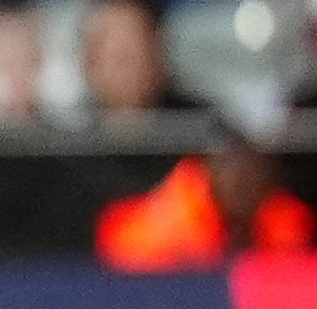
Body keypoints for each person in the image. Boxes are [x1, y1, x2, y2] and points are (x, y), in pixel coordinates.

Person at [97, 94, 312, 264]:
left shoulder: (288, 222)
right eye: (230, 162)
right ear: (207, 166)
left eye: (255, 165)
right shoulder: (167, 223)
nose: (242, 180)